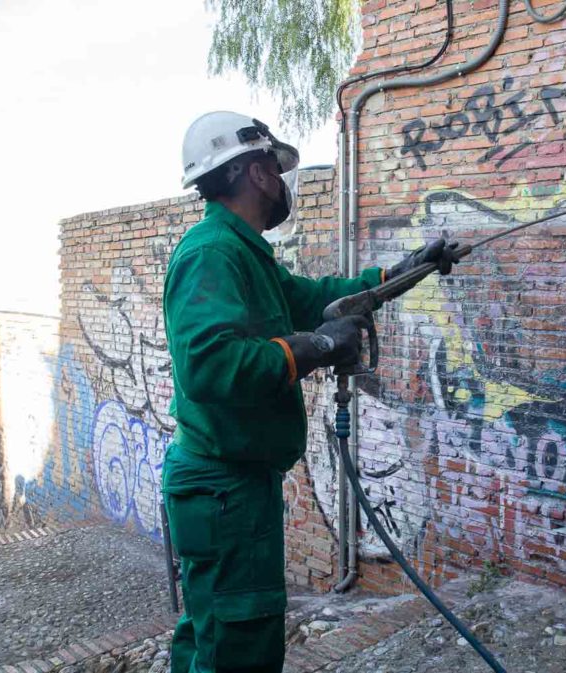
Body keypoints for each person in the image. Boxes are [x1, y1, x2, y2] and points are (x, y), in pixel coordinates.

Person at [161, 111, 458, 673]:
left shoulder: (241, 251)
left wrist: (402, 272)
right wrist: (318, 348)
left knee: (211, 638)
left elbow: (318, 295)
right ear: (255, 173)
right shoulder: (211, 254)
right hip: (225, 490)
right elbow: (208, 365)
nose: (282, 182)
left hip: (229, 486)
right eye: (276, 168)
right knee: (238, 648)